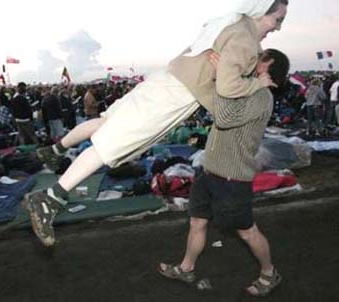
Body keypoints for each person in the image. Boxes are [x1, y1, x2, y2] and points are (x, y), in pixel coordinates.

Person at [25, 0, 288, 247]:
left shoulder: (234, 23)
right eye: (277, 19)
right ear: (263, 10)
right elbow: (229, 88)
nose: (278, 27)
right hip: (175, 95)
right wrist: (257, 83)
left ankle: (55, 151)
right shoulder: (246, 41)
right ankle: (49, 198)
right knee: (112, 143)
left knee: (107, 125)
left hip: (168, 80)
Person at [158, 49, 289, 297]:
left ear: (268, 64)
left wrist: (223, 78)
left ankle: (270, 273)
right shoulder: (248, 87)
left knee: (247, 231)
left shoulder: (261, 95)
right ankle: (186, 268)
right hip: (210, 170)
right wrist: (223, 79)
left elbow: (226, 117)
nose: (253, 56)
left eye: (260, 56)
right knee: (197, 222)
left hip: (232, 177)